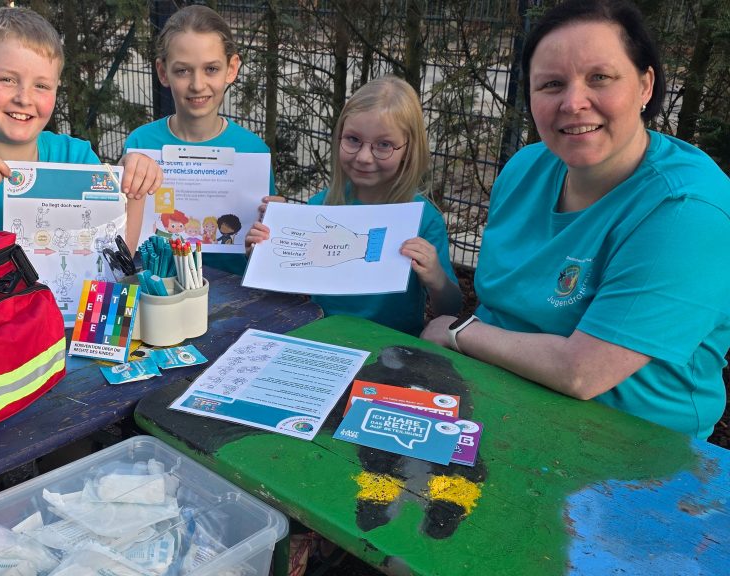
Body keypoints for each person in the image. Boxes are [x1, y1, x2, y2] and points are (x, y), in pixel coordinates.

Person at [420, 0, 730, 439]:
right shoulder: (524, 169)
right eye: (551, 84)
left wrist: (458, 333)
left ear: (645, 85)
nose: (573, 102)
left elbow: (583, 372)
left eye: (599, 77)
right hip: (490, 395)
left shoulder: (687, 209)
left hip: (627, 442)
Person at [0, 6, 162, 248]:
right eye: (7, 80)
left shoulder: (76, 157)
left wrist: (134, 187)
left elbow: (116, 257)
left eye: (41, 86)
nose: (24, 98)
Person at [246, 76, 463, 336]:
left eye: (384, 145)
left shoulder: (425, 219)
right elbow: (288, 293)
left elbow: (450, 309)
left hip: (391, 349)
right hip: (321, 339)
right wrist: (263, 255)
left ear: (409, 149)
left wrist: (436, 278)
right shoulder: (320, 207)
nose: (364, 157)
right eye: (353, 139)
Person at [124, 4, 275, 275]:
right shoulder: (140, 144)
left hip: (238, 296)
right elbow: (122, 237)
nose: (197, 84)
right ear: (163, 72)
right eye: (183, 70)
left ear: (232, 68)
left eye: (211, 69)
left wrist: (273, 235)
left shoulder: (254, 152)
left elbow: (262, 250)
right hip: (158, 289)